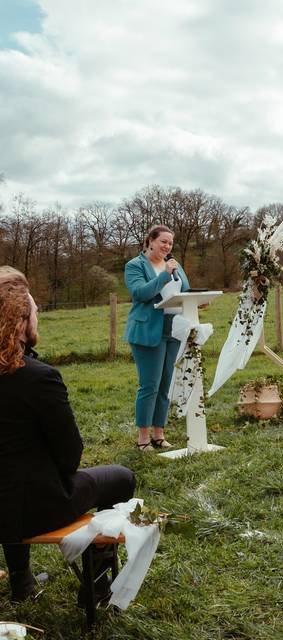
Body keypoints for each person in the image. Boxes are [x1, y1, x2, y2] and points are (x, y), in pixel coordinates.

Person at [0, 268, 135, 602]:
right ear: (20, 321)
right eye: (34, 311)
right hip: (36, 508)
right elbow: (70, 455)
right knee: (120, 477)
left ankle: (22, 581)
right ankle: (97, 588)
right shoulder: (39, 378)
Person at [124, 225, 189, 451]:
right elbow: (141, 293)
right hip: (148, 331)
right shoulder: (135, 266)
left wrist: (198, 300)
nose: (167, 246)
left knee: (165, 385)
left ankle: (159, 435)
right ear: (150, 241)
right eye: (163, 241)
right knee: (149, 385)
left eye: (170, 243)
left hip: (174, 329)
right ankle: (143, 438)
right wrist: (164, 275)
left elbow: (186, 291)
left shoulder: (174, 265)